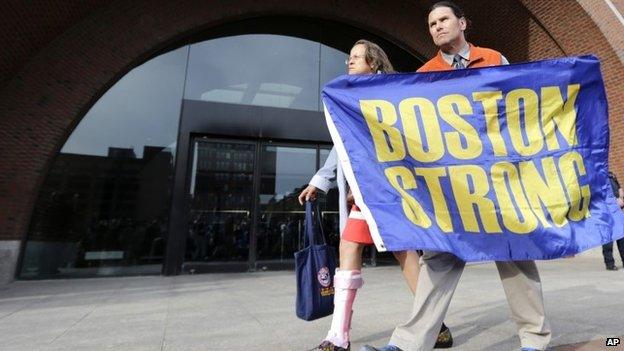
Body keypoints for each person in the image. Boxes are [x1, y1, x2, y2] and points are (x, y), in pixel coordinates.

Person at [360, 2, 551, 351]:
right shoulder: (423, 74)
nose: (437, 27)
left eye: (443, 19)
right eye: (431, 23)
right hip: (450, 186)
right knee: (439, 258)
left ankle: (534, 341)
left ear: (462, 22)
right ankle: (406, 344)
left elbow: (520, 107)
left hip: (498, 179)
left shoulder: (495, 59)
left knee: (515, 253)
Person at [299, 39, 452, 351]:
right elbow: (342, 144)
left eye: (357, 57)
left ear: (375, 63)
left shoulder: (391, 95)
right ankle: (337, 338)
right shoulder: (348, 98)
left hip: (390, 189)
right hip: (364, 193)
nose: (349, 62)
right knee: (350, 245)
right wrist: (321, 180)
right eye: (349, 57)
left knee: (404, 252)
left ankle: (435, 326)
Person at [602, 171, 624, 270]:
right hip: (606, 212)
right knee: (608, 239)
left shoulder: (611, 174)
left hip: (617, 211)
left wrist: (621, 195)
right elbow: (599, 195)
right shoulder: (597, 174)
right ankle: (609, 264)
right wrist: (614, 201)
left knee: (622, 237)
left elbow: (618, 187)